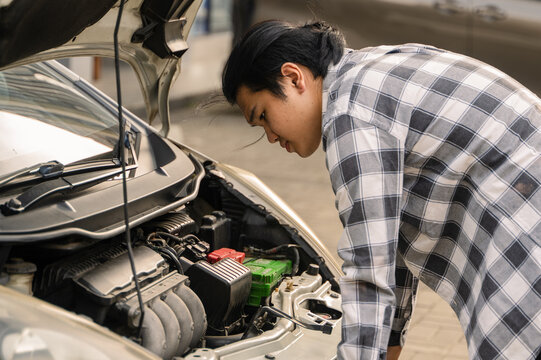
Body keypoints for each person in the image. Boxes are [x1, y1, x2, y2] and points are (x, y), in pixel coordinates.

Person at [222, 20, 541, 360]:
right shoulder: (365, 73)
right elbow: (390, 244)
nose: (270, 136)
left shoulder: (350, 112)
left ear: (294, 77)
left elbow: (367, 268)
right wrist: (390, 344)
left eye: (264, 115)